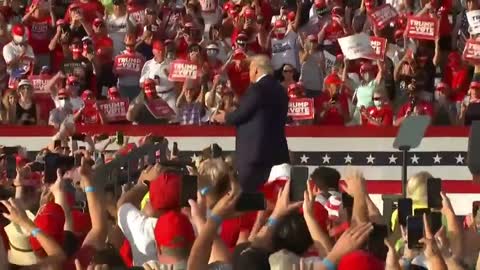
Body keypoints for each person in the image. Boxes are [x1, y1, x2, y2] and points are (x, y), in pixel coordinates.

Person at [213, 55, 289, 191]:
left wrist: (226, 117)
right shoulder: (281, 90)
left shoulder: (256, 89)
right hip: (277, 152)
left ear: (256, 70)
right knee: (274, 195)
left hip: (254, 156)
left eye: (249, 70)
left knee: (252, 198)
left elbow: (242, 114)